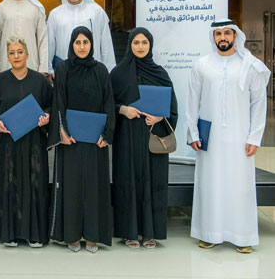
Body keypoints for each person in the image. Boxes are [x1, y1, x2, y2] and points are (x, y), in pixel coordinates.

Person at [186, 20, 270, 253]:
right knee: (210, 184)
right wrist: (193, 133)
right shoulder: (202, 65)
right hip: (210, 138)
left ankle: (242, 237)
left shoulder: (250, 66)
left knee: (240, 186)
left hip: (240, 137)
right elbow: (193, 102)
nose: (222, 37)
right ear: (213, 37)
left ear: (235, 36)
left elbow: (258, 104)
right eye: (218, 34)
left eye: (227, 33)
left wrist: (254, 137)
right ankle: (209, 234)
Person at [48, 26, 115, 253]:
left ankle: (93, 235)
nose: (82, 46)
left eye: (86, 42)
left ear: (91, 44)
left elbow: (108, 103)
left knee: (94, 187)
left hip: (95, 141)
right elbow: (59, 101)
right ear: (71, 44)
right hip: (71, 140)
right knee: (72, 187)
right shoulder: (63, 68)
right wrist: (62, 132)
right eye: (77, 42)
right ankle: (72, 234)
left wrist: (106, 134)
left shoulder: (101, 70)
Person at [111, 27, 178, 249]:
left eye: (144, 43)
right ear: (130, 45)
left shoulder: (160, 73)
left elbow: (172, 107)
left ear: (150, 45)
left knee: (153, 182)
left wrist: (159, 117)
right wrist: (123, 110)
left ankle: (151, 233)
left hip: (152, 136)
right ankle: (128, 232)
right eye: (136, 42)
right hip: (127, 137)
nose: (140, 47)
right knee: (127, 181)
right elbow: (107, 104)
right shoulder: (118, 74)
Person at [0, 36, 52, 248]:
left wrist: (47, 116)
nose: (16, 56)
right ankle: (10, 234)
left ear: (27, 54)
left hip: (34, 144)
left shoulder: (40, 81)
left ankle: (34, 234)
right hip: (7, 144)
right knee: (9, 184)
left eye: (20, 52)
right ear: (7, 56)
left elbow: (51, 105)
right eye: (12, 53)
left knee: (34, 184)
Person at [47, 0, 115, 74]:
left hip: (92, 70)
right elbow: (50, 44)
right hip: (64, 70)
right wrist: (49, 69)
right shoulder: (55, 14)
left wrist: (109, 71)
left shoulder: (97, 12)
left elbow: (106, 43)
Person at [0, 0, 48, 75]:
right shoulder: (1, 8)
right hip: (6, 64)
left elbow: (42, 39)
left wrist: (43, 67)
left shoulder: (35, 8)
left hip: (31, 64)